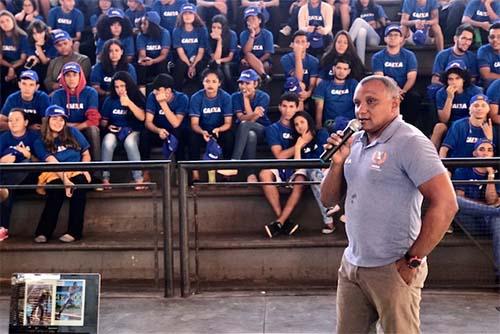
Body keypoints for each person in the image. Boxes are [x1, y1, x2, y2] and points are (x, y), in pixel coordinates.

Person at [320, 75, 458, 333]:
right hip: (353, 264)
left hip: (393, 267)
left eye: (371, 101)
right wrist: (336, 164)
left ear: (395, 104)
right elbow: (328, 199)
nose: (361, 110)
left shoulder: (411, 142)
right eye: (357, 102)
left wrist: (412, 261)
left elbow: (446, 204)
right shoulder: (357, 141)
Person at [33, 104, 92, 243]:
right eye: (54, 119)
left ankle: (74, 232)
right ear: (47, 120)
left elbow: (86, 154)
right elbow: (52, 162)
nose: (58, 122)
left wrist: (84, 169)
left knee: (78, 188)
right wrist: (65, 179)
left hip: (77, 169)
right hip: (55, 172)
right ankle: (43, 232)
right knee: (56, 190)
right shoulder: (39, 140)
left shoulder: (72, 132)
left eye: (61, 119)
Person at [452, 138, 500, 282]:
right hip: (470, 221)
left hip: (490, 222)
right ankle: (495, 212)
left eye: (489, 150)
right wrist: (490, 209)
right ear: (474, 153)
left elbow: (492, 199)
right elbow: (460, 200)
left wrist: (491, 176)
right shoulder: (463, 170)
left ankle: (499, 276)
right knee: (455, 201)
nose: (486, 153)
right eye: (482, 149)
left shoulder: (497, 173)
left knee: (498, 221)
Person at [260, 92, 304, 238]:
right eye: (284, 106)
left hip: (297, 167)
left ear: (297, 108)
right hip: (281, 166)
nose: (288, 110)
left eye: (291, 106)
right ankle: (283, 220)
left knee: (301, 179)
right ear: (279, 107)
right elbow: (279, 156)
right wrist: (300, 143)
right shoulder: (273, 128)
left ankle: (279, 222)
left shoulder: (301, 125)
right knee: (264, 174)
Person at [290, 111, 334, 233]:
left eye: (302, 122)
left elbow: (327, 156)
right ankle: (330, 210)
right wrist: (298, 147)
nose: (300, 126)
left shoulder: (321, 133)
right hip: (315, 174)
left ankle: (328, 220)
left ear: (309, 121)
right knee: (312, 174)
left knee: (315, 173)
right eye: (296, 124)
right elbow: (298, 167)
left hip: (328, 169)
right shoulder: (299, 142)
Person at [0, 108, 40, 242]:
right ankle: (2, 228)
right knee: (6, 183)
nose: (13, 123)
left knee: (25, 163)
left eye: (17, 119)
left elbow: (41, 160)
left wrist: (26, 154)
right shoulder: (4, 137)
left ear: (26, 122)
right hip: (8, 180)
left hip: (30, 179)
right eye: (10, 120)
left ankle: (3, 226)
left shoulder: (33, 136)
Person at [188, 63, 234, 181]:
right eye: (207, 81)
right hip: (202, 130)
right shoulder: (196, 97)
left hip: (219, 129)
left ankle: (226, 173)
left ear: (219, 83)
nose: (210, 84)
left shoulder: (226, 97)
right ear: (203, 82)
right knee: (192, 138)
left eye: (214, 81)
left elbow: (228, 123)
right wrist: (202, 132)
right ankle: (195, 175)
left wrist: (219, 129)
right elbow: (194, 124)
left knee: (229, 137)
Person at [100, 71, 146, 189]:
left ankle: (138, 179)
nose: (119, 89)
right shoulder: (110, 100)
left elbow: (142, 117)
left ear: (128, 85)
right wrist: (108, 126)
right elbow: (103, 122)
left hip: (134, 131)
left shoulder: (136, 96)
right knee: (108, 141)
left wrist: (129, 103)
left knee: (129, 142)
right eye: (116, 87)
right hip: (115, 131)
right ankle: (105, 179)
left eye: (122, 86)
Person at [372, 25, 422, 127]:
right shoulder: (377, 57)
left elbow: (411, 77)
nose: (393, 37)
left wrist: (403, 91)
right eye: (390, 35)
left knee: (414, 97)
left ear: (401, 39)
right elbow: (380, 78)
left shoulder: (409, 55)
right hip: (386, 90)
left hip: (405, 90)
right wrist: (395, 91)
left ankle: (409, 127)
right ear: (385, 39)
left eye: (396, 35)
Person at [51, 62, 101, 162]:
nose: (71, 78)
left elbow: (94, 120)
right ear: (63, 78)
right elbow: (56, 120)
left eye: (74, 75)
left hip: (84, 128)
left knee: (93, 130)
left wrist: (75, 128)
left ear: (80, 76)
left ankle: (97, 170)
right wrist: (69, 127)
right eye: (68, 75)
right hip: (63, 129)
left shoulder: (90, 92)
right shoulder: (57, 95)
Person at [431, 60, 483, 148]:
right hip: (450, 124)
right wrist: (449, 98)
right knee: (439, 127)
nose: (454, 82)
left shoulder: (475, 91)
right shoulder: (441, 93)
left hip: (470, 123)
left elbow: (480, 114)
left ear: (464, 79)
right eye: (450, 79)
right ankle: (430, 156)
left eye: (457, 78)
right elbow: (444, 119)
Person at [231, 69, 271, 182]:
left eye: (247, 83)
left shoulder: (264, 97)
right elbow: (241, 117)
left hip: (262, 129)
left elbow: (252, 120)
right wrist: (253, 113)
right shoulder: (235, 96)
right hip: (242, 131)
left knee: (247, 126)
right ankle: (251, 174)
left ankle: (234, 161)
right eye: (241, 83)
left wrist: (246, 100)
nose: (244, 86)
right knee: (250, 135)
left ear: (255, 83)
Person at [142, 73, 189, 162]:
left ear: (168, 90)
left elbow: (175, 123)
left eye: (158, 90)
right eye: (154, 90)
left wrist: (162, 103)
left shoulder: (182, 98)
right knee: (145, 135)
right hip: (159, 129)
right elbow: (148, 122)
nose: (155, 92)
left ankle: (180, 170)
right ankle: (146, 171)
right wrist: (158, 130)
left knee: (179, 133)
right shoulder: (152, 96)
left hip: (175, 130)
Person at [440, 93, 495, 159]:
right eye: (476, 106)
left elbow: (491, 155)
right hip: (458, 166)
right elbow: (444, 149)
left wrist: (489, 140)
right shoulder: (458, 125)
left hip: (481, 167)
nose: (479, 108)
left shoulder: (493, 128)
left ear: (488, 109)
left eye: (483, 106)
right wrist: (444, 167)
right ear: (470, 108)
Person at [313, 57, 358, 130]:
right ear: (333, 69)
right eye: (339, 68)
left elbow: (360, 103)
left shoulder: (353, 84)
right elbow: (319, 107)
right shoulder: (323, 85)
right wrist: (318, 126)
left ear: (348, 71)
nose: (341, 71)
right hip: (331, 124)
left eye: (345, 69)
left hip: (350, 124)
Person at [172, 3, 208, 90]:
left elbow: (201, 51)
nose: (188, 16)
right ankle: (177, 92)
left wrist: (194, 65)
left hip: (198, 59)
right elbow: (180, 52)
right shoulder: (177, 30)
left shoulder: (202, 29)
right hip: (184, 59)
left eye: (190, 13)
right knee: (180, 64)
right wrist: (190, 66)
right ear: (181, 16)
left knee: (201, 65)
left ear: (195, 15)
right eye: (185, 13)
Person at [280, 30, 320, 109]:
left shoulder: (314, 61)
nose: (300, 44)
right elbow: (298, 79)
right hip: (290, 89)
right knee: (300, 85)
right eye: (297, 42)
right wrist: (298, 56)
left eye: (303, 42)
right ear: (292, 45)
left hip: (308, 92)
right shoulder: (285, 59)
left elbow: (312, 82)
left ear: (307, 44)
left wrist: (308, 93)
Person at [135, 11, 171, 92]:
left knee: (162, 65)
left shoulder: (165, 33)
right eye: (141, 23)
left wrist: (153, 61)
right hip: (148, 61)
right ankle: (142, 94)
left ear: (152, 25)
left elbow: (164, 55)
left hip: (159, 61)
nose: (142, 26)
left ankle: (164, 91)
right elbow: (142, 54)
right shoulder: (140, 36)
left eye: (144, 24)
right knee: (140, 66)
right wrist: (142, 60)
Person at [240, 6, 274, 83]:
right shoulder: (243, 34)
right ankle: (264, 76)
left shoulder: (268, 34)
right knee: (248, 56)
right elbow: (246, 52)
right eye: (248, 20)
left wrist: (256, 63)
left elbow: (267, 54)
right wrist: (252, 35)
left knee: (265, 65)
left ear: (260, 20)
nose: (251, 22)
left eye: (253, 19)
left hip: (263, 59)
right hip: (247, 59)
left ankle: (262, 78)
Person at [0, 10, 28, 100]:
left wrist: (12, 67)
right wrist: (9, 67)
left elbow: (23, 59)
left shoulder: (23, 36)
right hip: (4, 63)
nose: (5, 24)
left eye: (7, 20)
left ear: (13, 20)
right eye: (2, 22)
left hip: (19, 63)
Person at [348, 0, 387, 65]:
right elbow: (353, 25)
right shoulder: (356, 9)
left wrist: (376, 24)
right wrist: (367, 24)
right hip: (360, 38)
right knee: (361, 31)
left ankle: (347, 44)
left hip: (374, 38)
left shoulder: (377, 8)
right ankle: (360, 65)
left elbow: (384, 22)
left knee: (359, 21)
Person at [208, 14, 237, 93]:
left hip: (230, 61)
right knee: (216, 66)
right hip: (215, 62)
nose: (216, 30)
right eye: (213, 27)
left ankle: (231, 91)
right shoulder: (209, 36)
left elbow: (230, 57)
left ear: (224, 28)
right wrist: (219, 41)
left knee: (226, 67)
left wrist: (219, 61)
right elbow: (215, 58)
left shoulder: (232, 35)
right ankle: (220, 91)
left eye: (219, 28)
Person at [24, 19, 57, 84]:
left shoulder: (51, 40)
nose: (38, 36)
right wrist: (33, 58)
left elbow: (45, 62)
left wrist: (38, 47)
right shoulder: (28, 40)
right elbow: (31, 54)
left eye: (40, 33)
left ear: (45, 31)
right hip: (36, 66)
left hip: (50, 67)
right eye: (35, 34)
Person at [478, 22, 500, 87]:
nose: (495, 40)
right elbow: (486, 75)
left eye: (499, 37)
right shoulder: (483, 50)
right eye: (492, 37)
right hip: (491, 87)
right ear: (488, 38)